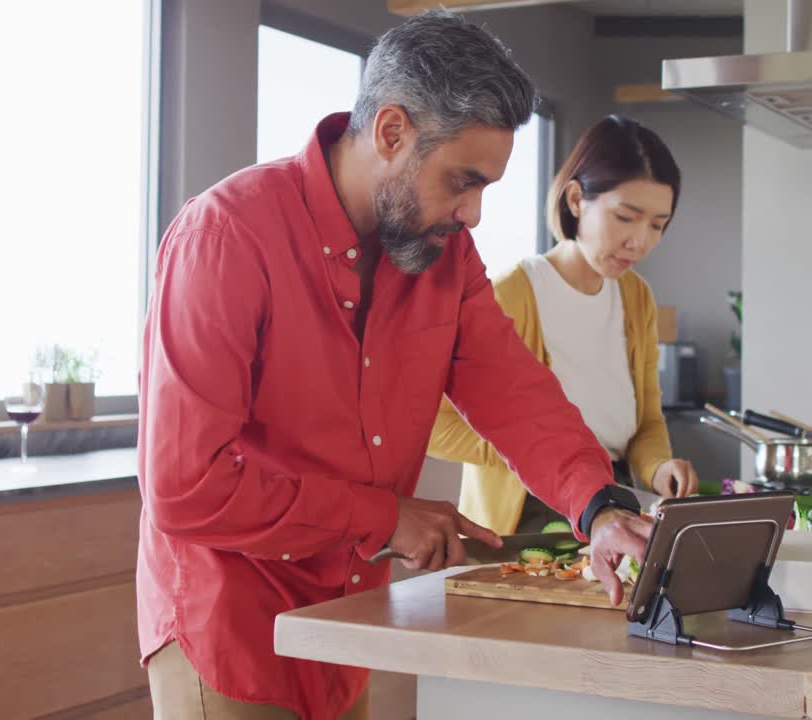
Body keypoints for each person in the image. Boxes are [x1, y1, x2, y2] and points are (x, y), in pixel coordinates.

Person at [136, 10, 651, 720]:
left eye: (485, 189)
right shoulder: (227, 236)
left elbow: (513, 391)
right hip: (230, 622)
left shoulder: (444, 254)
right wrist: (383, 519)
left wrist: (598, 507)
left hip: (350, 619)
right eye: (462, 181)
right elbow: (185, 485)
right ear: (391, 132)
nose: (473, 215)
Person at [429, 115, 700, 536]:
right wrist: (531, 448)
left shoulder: (636, 298)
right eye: (626, 217)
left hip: (613, 500)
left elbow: (645, 422)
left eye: (657, 225)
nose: (640, 241)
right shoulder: (511, 293)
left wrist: (658, 467)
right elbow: (434, 423)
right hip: (525, 516)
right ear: (576, 200)